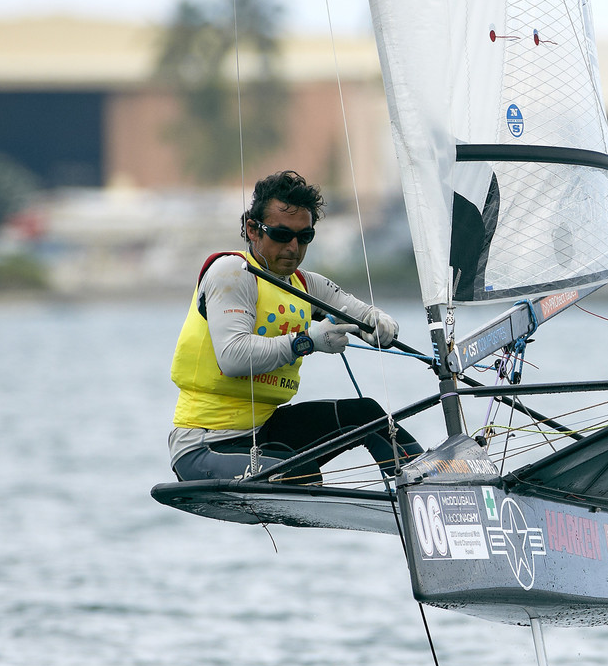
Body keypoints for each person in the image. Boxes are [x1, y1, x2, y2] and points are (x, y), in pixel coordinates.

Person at [168, 170, 422, 483]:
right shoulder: (232, 273)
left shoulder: (308, 285)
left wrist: (383, 326)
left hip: (266, 433)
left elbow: (366, 313)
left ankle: (429, 486)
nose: (293, 247)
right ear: (252, 229)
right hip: (205, 446)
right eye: (281, 234)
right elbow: (232, 358)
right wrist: (307, 341)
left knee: (367, 416)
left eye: (305, 237)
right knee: (303, 476)